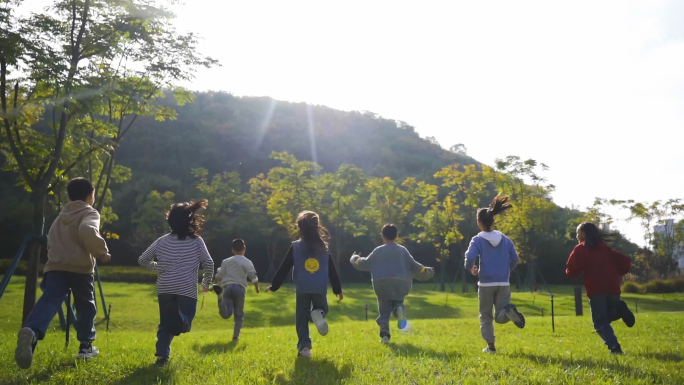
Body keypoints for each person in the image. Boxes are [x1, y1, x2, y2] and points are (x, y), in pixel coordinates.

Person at [15, 178, 111, 369]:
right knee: (85, 305)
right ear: (91, 195)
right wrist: (102, 252)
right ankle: (85, 346)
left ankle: (31, 330)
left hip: (56, 266)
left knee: (50, 299)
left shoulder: (60, 216)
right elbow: (87, 230)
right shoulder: (89, 212)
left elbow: (51, 239)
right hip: (80, 268)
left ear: (68, 197)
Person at [138, 199, 214, 366]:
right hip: (186, 288)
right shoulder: (196, 241)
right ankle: (180, 319)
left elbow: (143, 260)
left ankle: (162, 357)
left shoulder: (162, 241)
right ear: (190, 220)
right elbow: (208, 263)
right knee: (184, 323)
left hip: (165, 288)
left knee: (165, 323)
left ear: (170, 221)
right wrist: (206, 283)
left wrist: (161, 267)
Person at [266, 211, 343, 358]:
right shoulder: (324, 247)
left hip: (302, 287)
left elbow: (284, 267)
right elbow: (332, 269)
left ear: (300, 227)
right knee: (322, 308)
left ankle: (305, 348)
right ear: (317, 226)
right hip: (319, 286)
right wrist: (337, 289)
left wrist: (274, 286)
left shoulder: (295, 247)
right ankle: (318, 313)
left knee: (301, 318)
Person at [351, 224, 435, 344]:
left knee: (384, 311)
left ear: (383, 236)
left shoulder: (378, 251)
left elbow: (363, 263)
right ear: (396, 236)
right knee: (398, 301)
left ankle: (385, 336)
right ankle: (398, 309)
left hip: (382, 284)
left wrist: (354, 258)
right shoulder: (403, 251)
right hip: (401, 284)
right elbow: (416, 266)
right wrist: (428, 271)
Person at [464, 194, 525, 354]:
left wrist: (471, 267)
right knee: (500, 315)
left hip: (485, 284)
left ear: (479, 222)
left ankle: (491, 347)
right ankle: (508, 313)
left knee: (485, 316)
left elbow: (469, 257)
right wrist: (506, 271)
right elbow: (515, 258)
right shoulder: (505, 239)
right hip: (503, 283)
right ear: (493, 221)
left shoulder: (477, 239)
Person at [566, 222, 635, 354]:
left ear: (584, 234)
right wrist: (617, 273)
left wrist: (571, 273)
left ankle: (614, 347)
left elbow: (572, 270)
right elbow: (626, 261)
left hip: (596, 289)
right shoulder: (605, 248)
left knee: (600, 322)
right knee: (607, 316)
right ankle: (619, 310)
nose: (576, 236)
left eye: (578, 233)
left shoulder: (581, 249)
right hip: (613, 287)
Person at [212, 238, 259, 341]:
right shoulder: (247, 262)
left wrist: (215, 284)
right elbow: (253, 277)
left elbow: (219, 274)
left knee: (226, 314)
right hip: (239, 288)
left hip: (227, 287)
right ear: (244, 249)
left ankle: (220, 298)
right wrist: (257, 288)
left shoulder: (226, 261)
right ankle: (235, 337)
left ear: (232, 250)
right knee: (239, 314)